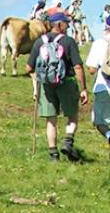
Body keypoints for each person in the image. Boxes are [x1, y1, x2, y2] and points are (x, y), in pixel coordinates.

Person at [26, 11, 88, 161]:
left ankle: (53, 155)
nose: (68, 25)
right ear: (59, 25)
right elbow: (78, 66)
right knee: (72, 116)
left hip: (46, 85)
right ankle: (68, 140)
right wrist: (84, 88)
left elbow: (29, 68)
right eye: (66, 22)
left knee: (51, 120)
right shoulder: (68, 41)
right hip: (66, 81)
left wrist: (36, 85)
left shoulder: (40, 42)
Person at [85, 15, 110, 151]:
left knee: (99, 120)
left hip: (103, 86)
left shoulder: (99, 43)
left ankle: (108, 134)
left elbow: (91, 70)